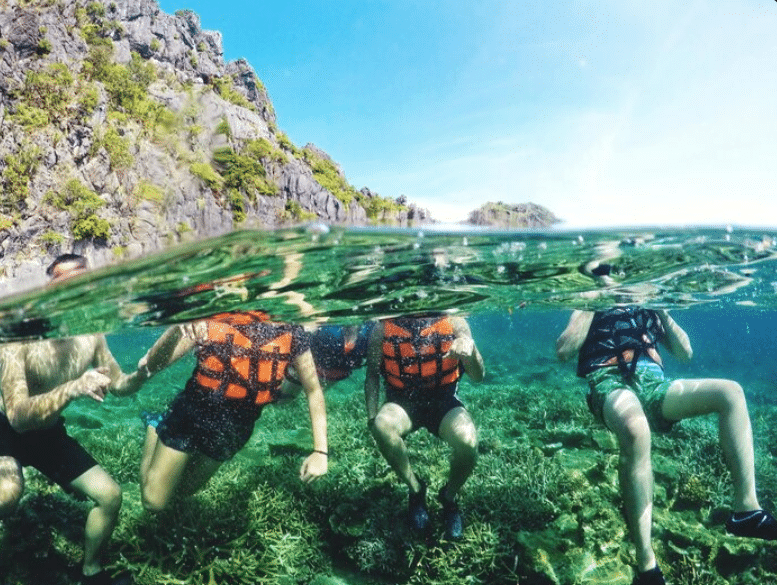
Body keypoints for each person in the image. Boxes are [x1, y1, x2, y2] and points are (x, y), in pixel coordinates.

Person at [556, 306, 777, 585]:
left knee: (731, 393)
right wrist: (592, 303)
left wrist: (660, 309)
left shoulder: (651, 301)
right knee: (636, 430)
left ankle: (746, 509)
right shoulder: (590, 300)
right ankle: (646, 564)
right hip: (609, 380)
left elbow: (685, 353)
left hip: (654, 384)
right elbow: (564, 350)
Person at [0, 254, 150, 585]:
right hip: (5, 432)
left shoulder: (92, 334)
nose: (74, 289)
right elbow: (18, 416)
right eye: (62, 282)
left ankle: (90, 572)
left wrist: (143, 371)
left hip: (49, 434)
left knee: (110, 496)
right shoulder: (18, 337)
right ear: (48, 289)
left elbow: (119, 385)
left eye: (82, 278)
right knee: (7, 496)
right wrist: (72, 388)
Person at [138, 310, 328, 512]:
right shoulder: (212, 318)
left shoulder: (292, 332)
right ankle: (155, 426)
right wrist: (178, 325)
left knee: (184, 491)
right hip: (192, 413)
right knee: (154, 502)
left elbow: (314, 390)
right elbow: (153, 364)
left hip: (236, 427)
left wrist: (320, 451)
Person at [364, 313, 484, 539]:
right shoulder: (382, 328)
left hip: (443, 401)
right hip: (402, 402)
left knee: (468, 442)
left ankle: (448, 498)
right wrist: (372, 417)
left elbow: (479, 376)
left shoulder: (455, 321)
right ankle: (416, 490)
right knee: (382, 426)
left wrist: (471, 351)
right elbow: (372, 375)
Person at [279, 321, 375, 401]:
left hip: (333, 375)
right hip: (305, 369)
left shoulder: (371, 327)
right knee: (282, 401)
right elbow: (303, 331)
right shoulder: (326, 322)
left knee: (311, 400)